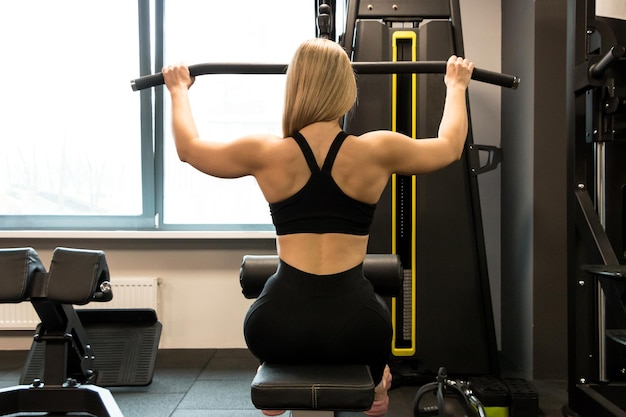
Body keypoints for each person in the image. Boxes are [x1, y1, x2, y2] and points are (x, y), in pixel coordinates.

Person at [163, 38, 474, 417]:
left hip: (276, 323)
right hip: (359, 324)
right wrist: (455, 86)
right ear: (346, 89)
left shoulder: (267, 153)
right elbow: (449, 146)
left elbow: (189, 148)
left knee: (276, 385)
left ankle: (275, 397)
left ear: (294, 87)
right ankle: (377, 392)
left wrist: (178, 90)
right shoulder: (376, 150)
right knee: (376, 383)